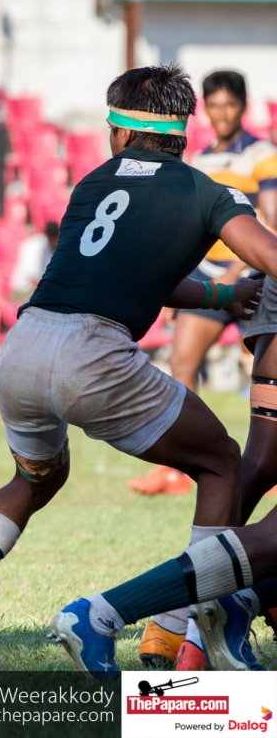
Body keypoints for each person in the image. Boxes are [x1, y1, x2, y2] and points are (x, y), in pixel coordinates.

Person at [0, 64, 274, 675]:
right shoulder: (203, 190)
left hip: (25, 345)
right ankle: (191, 638)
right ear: (181, 132)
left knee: (33, 479)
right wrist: (237, 284)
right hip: (94, 353)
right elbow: (268, 256)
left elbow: (124, 273)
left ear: (123, 133)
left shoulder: (92, 183)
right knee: (220, 466)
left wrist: (219, 297)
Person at [131, 70, 277, 499]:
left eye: (229, 104)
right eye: (213, 106)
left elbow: (272, 222)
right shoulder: (201, 158)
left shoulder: (263, 154)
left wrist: (237, 271)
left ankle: (269, 468)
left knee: (268, 377)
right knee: (182, 362)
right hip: (211, 274)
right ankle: (179, 468)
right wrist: (178, 278)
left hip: (254, 274)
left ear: (242, 106)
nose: (221, 113)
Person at [8, 221, 58, 299]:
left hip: (37, 291)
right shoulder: (37, 244)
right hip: (24, 292)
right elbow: (34, 279)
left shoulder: (50, 246)